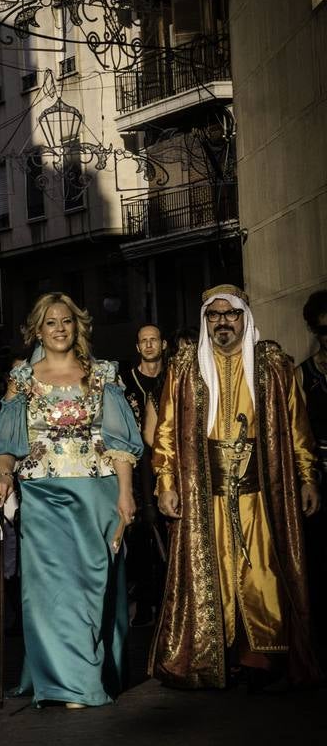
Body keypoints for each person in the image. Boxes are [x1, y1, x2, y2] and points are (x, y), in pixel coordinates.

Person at [150, 284, 320, 691]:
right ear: (205, 321)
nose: (223, 322)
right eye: (214, 315)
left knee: (260, 574)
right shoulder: (186, 367)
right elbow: (167, 433)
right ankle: (215, 657)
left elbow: (298, 429)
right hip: (203, 493)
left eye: (231, 314)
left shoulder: (273, 365)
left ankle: (260, 657)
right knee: (216, 575)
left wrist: (307, 477)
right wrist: (166, 483)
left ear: (245, 317)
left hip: (260, 495)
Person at [0, 292, 143, 708]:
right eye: (51, 322)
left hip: (98, 492)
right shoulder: (21, 379)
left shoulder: (103, 373)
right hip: (42, 493)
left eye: (67, 322)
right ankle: (71, 683)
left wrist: (126, 494)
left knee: (95, 586)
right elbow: (6, 440)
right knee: (52, 589)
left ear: (78, 328)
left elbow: (120, 441)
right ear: (38, 330)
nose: (60, 329)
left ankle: (87, 671)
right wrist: (4, 475)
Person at [123, 324, 167, 627]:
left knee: (166, 530)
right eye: (144, 341)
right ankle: (142, 599)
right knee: (138, 532)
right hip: (136, 464)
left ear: (162, 344)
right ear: (138, 347)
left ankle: (166, 600)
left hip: (167, 462)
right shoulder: (125, 381)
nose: (149, 345)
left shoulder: (174, 378)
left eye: (154, 340)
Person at [296, 290, 327, 666]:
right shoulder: (302, 374)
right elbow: (299, 433)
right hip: (320, 475)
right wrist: (308, 479)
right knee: (319, 558)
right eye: (322, 330)